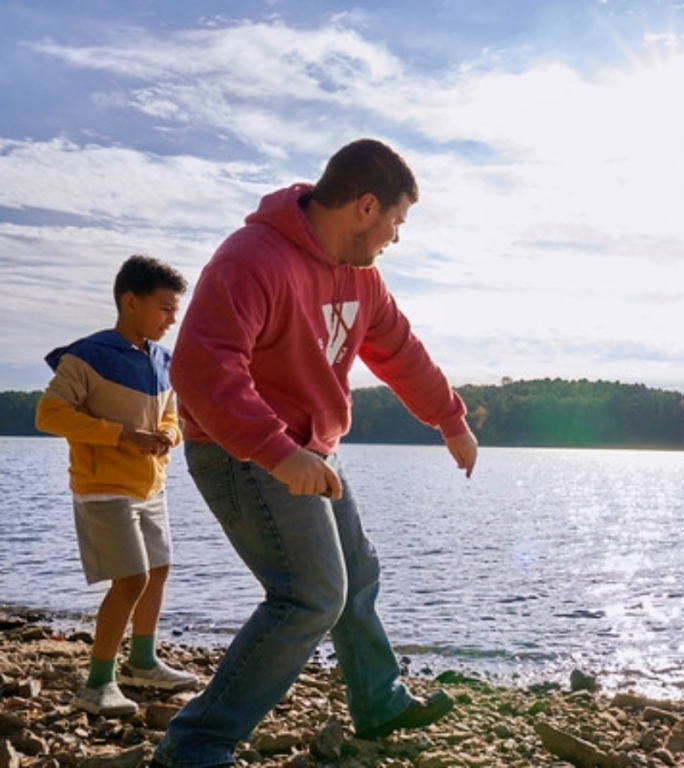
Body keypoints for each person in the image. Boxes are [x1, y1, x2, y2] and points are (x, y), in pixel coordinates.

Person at [152, 138, 478, 767]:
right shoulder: (253, 259)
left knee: (358, 576)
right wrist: (277, 453)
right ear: (365, 206)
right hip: (240, 449)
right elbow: (199, 367)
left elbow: (400, 351)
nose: (395, 237)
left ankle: (379, 702)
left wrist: (449, 418)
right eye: (396, 221)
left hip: (313, 447)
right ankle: (195, 746)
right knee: (310, 594)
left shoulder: (362, 278)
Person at [36, 254, 197, 717]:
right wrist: (122, 434)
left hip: (151, 486)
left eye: (175, 310)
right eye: (165, 308)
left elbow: (171, 413)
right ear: (131, 302)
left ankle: (141, 664)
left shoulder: (162, 359)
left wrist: (170, 431)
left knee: (159, 570)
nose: (173, 318)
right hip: (103, 486)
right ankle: (97, 684)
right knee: (131, 580)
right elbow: (49, 414)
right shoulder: (88, 355)